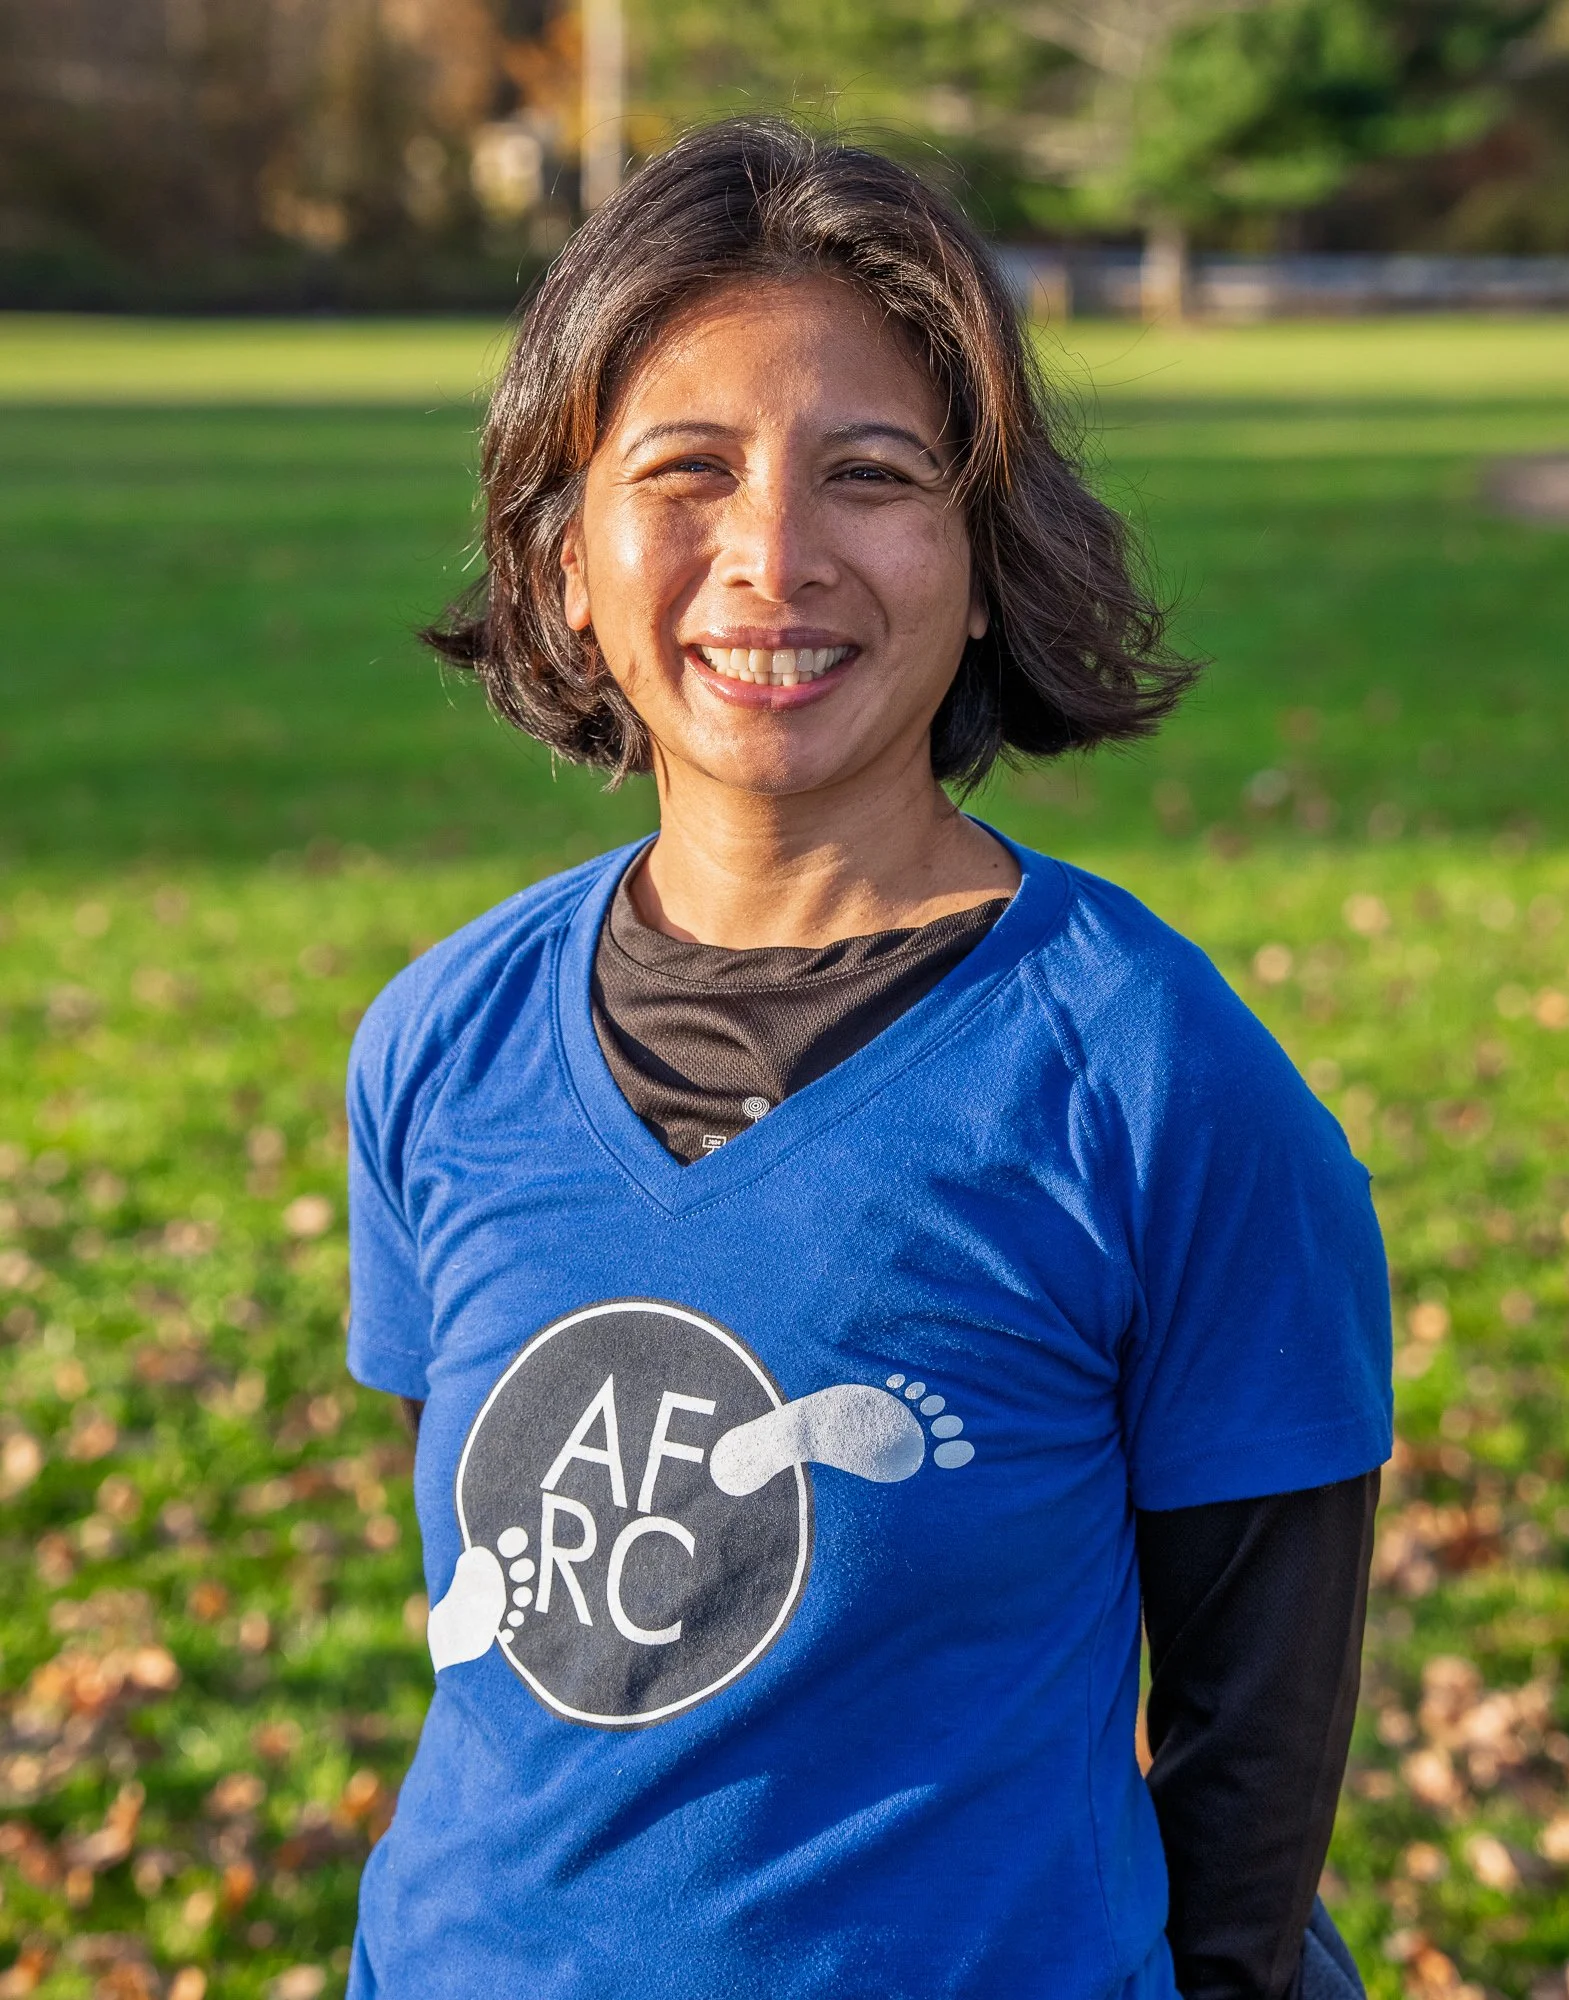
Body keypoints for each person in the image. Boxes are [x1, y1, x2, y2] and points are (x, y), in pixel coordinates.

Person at [344, 118, 1391, 2000]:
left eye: (871, 474)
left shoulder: (1157, 1083)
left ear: (984, 563)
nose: (772, 556)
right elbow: (496, 1643)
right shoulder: (439, 1041)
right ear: (563, 559)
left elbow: (1254, 1774)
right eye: (685, 471)